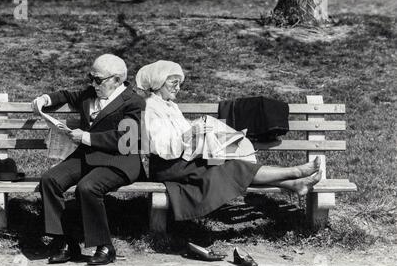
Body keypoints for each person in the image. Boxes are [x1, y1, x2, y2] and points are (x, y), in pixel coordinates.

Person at [136, 60, 322, 222]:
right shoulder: (151, 107)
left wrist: (200, 131)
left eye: (179, 83)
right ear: (159, 82)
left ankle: (294, 183)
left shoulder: (170, 106)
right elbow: (163, 146)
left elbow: (182, 135)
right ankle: (296, 173)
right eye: (174, 83)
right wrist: (195, 134)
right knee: (232, 167)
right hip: (168, 167)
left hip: (182, 162)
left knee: (232, 163)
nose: (178, 87)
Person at [32, 54, 145, 266]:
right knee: (50, 180)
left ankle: (105, 246)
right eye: (90, 77)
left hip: (118, 160)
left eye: (98, 79)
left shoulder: (133, 102)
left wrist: (85, 137)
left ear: (117, 80)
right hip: (87, 157)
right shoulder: (90, 94)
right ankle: (65, 242)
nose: (93, 83)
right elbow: (67, 95)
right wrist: (45, 99)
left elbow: (126, 141)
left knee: (87, 187)